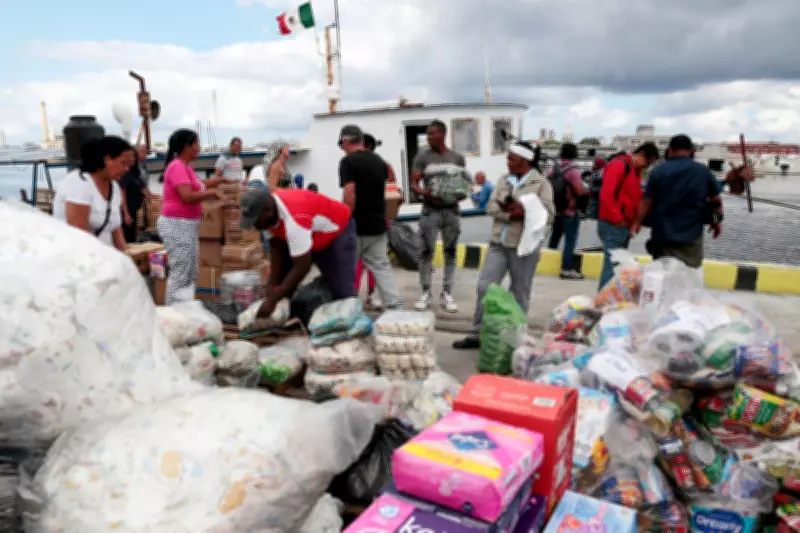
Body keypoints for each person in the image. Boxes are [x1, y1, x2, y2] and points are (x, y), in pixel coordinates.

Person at [453, 142, 555, 350]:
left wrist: (524, 211)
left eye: (511, 159)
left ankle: (514, 338)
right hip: (498, 243)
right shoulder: (503, 180)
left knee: (519, 292)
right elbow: (490, 207)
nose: (507, 162)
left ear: (525, 161)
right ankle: (477, 333)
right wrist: (510, 214)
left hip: (524, 246)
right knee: (485, 287)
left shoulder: (541, 184)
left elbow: (549, 214)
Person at [239, 188, 357, 317]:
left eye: (255, 220)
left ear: (268, 211)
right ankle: (282, 314)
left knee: (342, 291)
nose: (254, 226)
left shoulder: (295, 218)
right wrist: (272, 286)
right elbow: (276, 247)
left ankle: (351, 321)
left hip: (337, 231)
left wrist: (273, 300)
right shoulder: (269, 212)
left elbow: (302, 266)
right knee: (281, 282)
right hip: (310, 233)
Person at [157, 129, 228, 305]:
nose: (198, 148)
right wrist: (212, 193)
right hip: (176, 224)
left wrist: (218, 181)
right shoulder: (177, 166)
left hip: (187, 225)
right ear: (186, 147)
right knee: (181, 271)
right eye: (196, 144)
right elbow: (187, 196)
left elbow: (197, 185)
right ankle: (174, 311)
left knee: (191, 271)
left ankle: (186, 308)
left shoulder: (186, 167)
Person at [632, 134, 723, 267]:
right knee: (689, 271)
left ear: (670, 151)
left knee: (663, 272)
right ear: (691, 151)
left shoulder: (658, 171)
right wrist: (716, 221)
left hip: (663, 235)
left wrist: (636, 223)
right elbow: (716, 200)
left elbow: (646, 202)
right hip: (692, 235)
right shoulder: (703, 171)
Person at [338, 125, 403, 310]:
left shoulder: (348, 162)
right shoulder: (379, 162)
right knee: (381, 267)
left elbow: (350, 193)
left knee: (347, 270)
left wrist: (344, 221)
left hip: (356, 226)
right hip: (377, 225)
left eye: (341, 144)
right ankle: (395, 307)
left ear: (345, 141)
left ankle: (347, 309)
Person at [411, 119, 468, 312]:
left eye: (432, 133)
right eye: (427, 134)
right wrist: (424, 193)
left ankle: (447, 293)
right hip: (430, 210)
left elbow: (463, 184)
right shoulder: (422, 158)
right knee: (426, 252)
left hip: (452, 210)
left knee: (450, 252)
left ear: (443, 134)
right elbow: (414, 184)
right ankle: (426, 292)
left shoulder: (457, 158)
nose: (429, 137)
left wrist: (462, 194)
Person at [53, 136, 134, 252]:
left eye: (129, 165)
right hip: (77, 255)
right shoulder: (79, 182)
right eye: (123, 163)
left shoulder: (114, 187)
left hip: (102, 255)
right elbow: (79, 231)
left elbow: (116, 229)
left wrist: (123, 256)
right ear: (107, 159)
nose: (127, 169)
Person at [597, 142, 660, 290]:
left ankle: (610, 297)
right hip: (614, 223)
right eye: (648, 163)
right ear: (642, 155)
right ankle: (603, 298)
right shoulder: (620, 165)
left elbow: (633, 196)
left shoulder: (635, 170)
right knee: (612, 265)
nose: (647, 167)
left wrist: (635, 222)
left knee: (618, 264)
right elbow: (606, 195)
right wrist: (618, 219)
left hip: (623, 224)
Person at [547, 143, 586, 280]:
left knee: (554, 238)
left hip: (556, 210)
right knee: (570, 241)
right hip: (570, 212)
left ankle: (546, 263)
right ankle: (567, 269)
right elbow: (579, 191)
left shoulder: (552, 169)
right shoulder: (574, 171)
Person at [119, 144, 152, 243]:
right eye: (130, 156)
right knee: (127, 238)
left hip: (135, 209)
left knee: (133, 237)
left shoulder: (135, 172)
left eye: (134, 156)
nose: (132, 159)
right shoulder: (124, 174)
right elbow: (122, 193)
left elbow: (142, 186)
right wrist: (125, 213)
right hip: (127, 210)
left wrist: (149, 195)